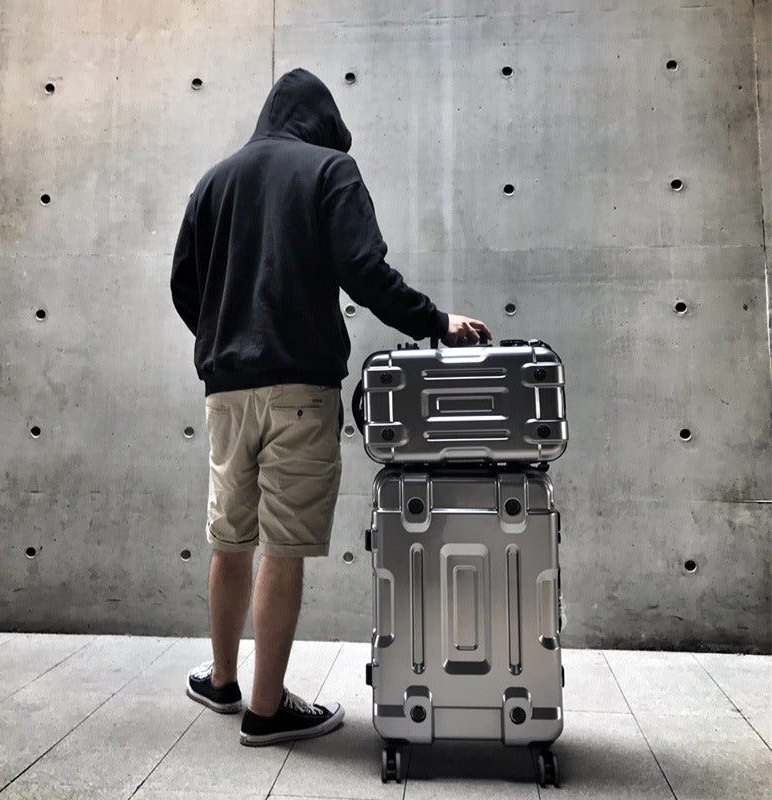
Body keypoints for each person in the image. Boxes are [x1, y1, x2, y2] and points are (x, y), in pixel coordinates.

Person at [171, 67, 491, 747]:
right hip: (300, 392)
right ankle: (266, 710)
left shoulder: (214, 182)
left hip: (226, 393)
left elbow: (184, 284)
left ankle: (222, 680)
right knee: (283, 546)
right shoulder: (330, 169)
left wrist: (227, 338)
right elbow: (363, 270)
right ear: (322, 124)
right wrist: (436, 322)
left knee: (230, 537)